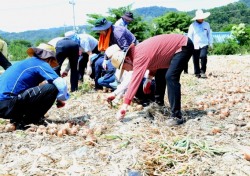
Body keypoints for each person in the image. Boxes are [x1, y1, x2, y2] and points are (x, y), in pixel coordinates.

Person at [106, 34, 194, 126]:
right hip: (176, 48)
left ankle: (177, 116)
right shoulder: (137, 53)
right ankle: (159, 106)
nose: (127, 70)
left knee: (170, 77)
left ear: (127, 59)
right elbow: (156, 61)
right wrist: (149, 79)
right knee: (160, 75)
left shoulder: (138, 56)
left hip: (183, 45)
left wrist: (124, 106)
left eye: (125, 68)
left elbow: (134, 82)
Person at [0, 43, 70, 129]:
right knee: (52, 88)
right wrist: (60, 98)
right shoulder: (40, 63)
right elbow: (60, 84)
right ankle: (30, 120)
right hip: (9, 104)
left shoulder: (24, 63)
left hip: (3, 105)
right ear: (49, 59)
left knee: (32, 89)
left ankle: (18, 119)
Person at [187, 9, 213, 78]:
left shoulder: (207, 24)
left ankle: (202, 71)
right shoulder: (192, 26)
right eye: (201, 17)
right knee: (195, 59)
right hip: (194, 44)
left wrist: (211, 43)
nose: (202, 18)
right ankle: (197, 73)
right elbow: (189, 36)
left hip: (204, 43)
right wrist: (189, 45)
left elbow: (209, 34)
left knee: (203, 56)